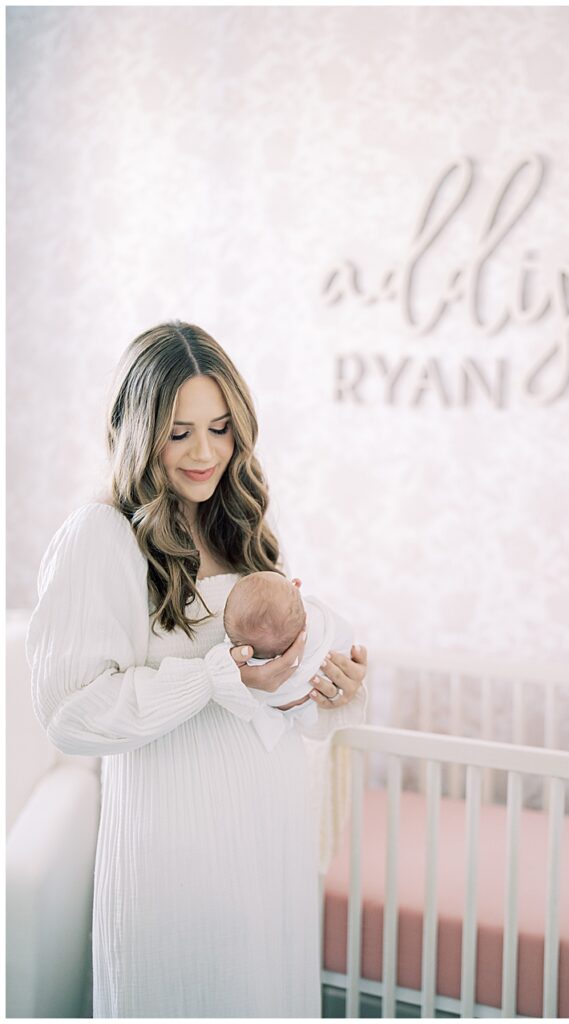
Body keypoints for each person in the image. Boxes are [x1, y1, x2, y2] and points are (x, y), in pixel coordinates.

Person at [26, 321, 368, 1018]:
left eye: (220, 427)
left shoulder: (239, 531)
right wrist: (213, 677)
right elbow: (70, 715)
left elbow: (277, 703)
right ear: (133, 427)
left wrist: (325, 691)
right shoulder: (101, 536)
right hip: (175, 849)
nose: (205, 452)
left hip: (268, 834)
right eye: (179, 432)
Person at [222, 570, 356, 751]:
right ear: (297, 585)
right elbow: (344, 634)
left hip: (286, 725)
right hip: (306, 704)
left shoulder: (241, 659)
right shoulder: (317, 621)